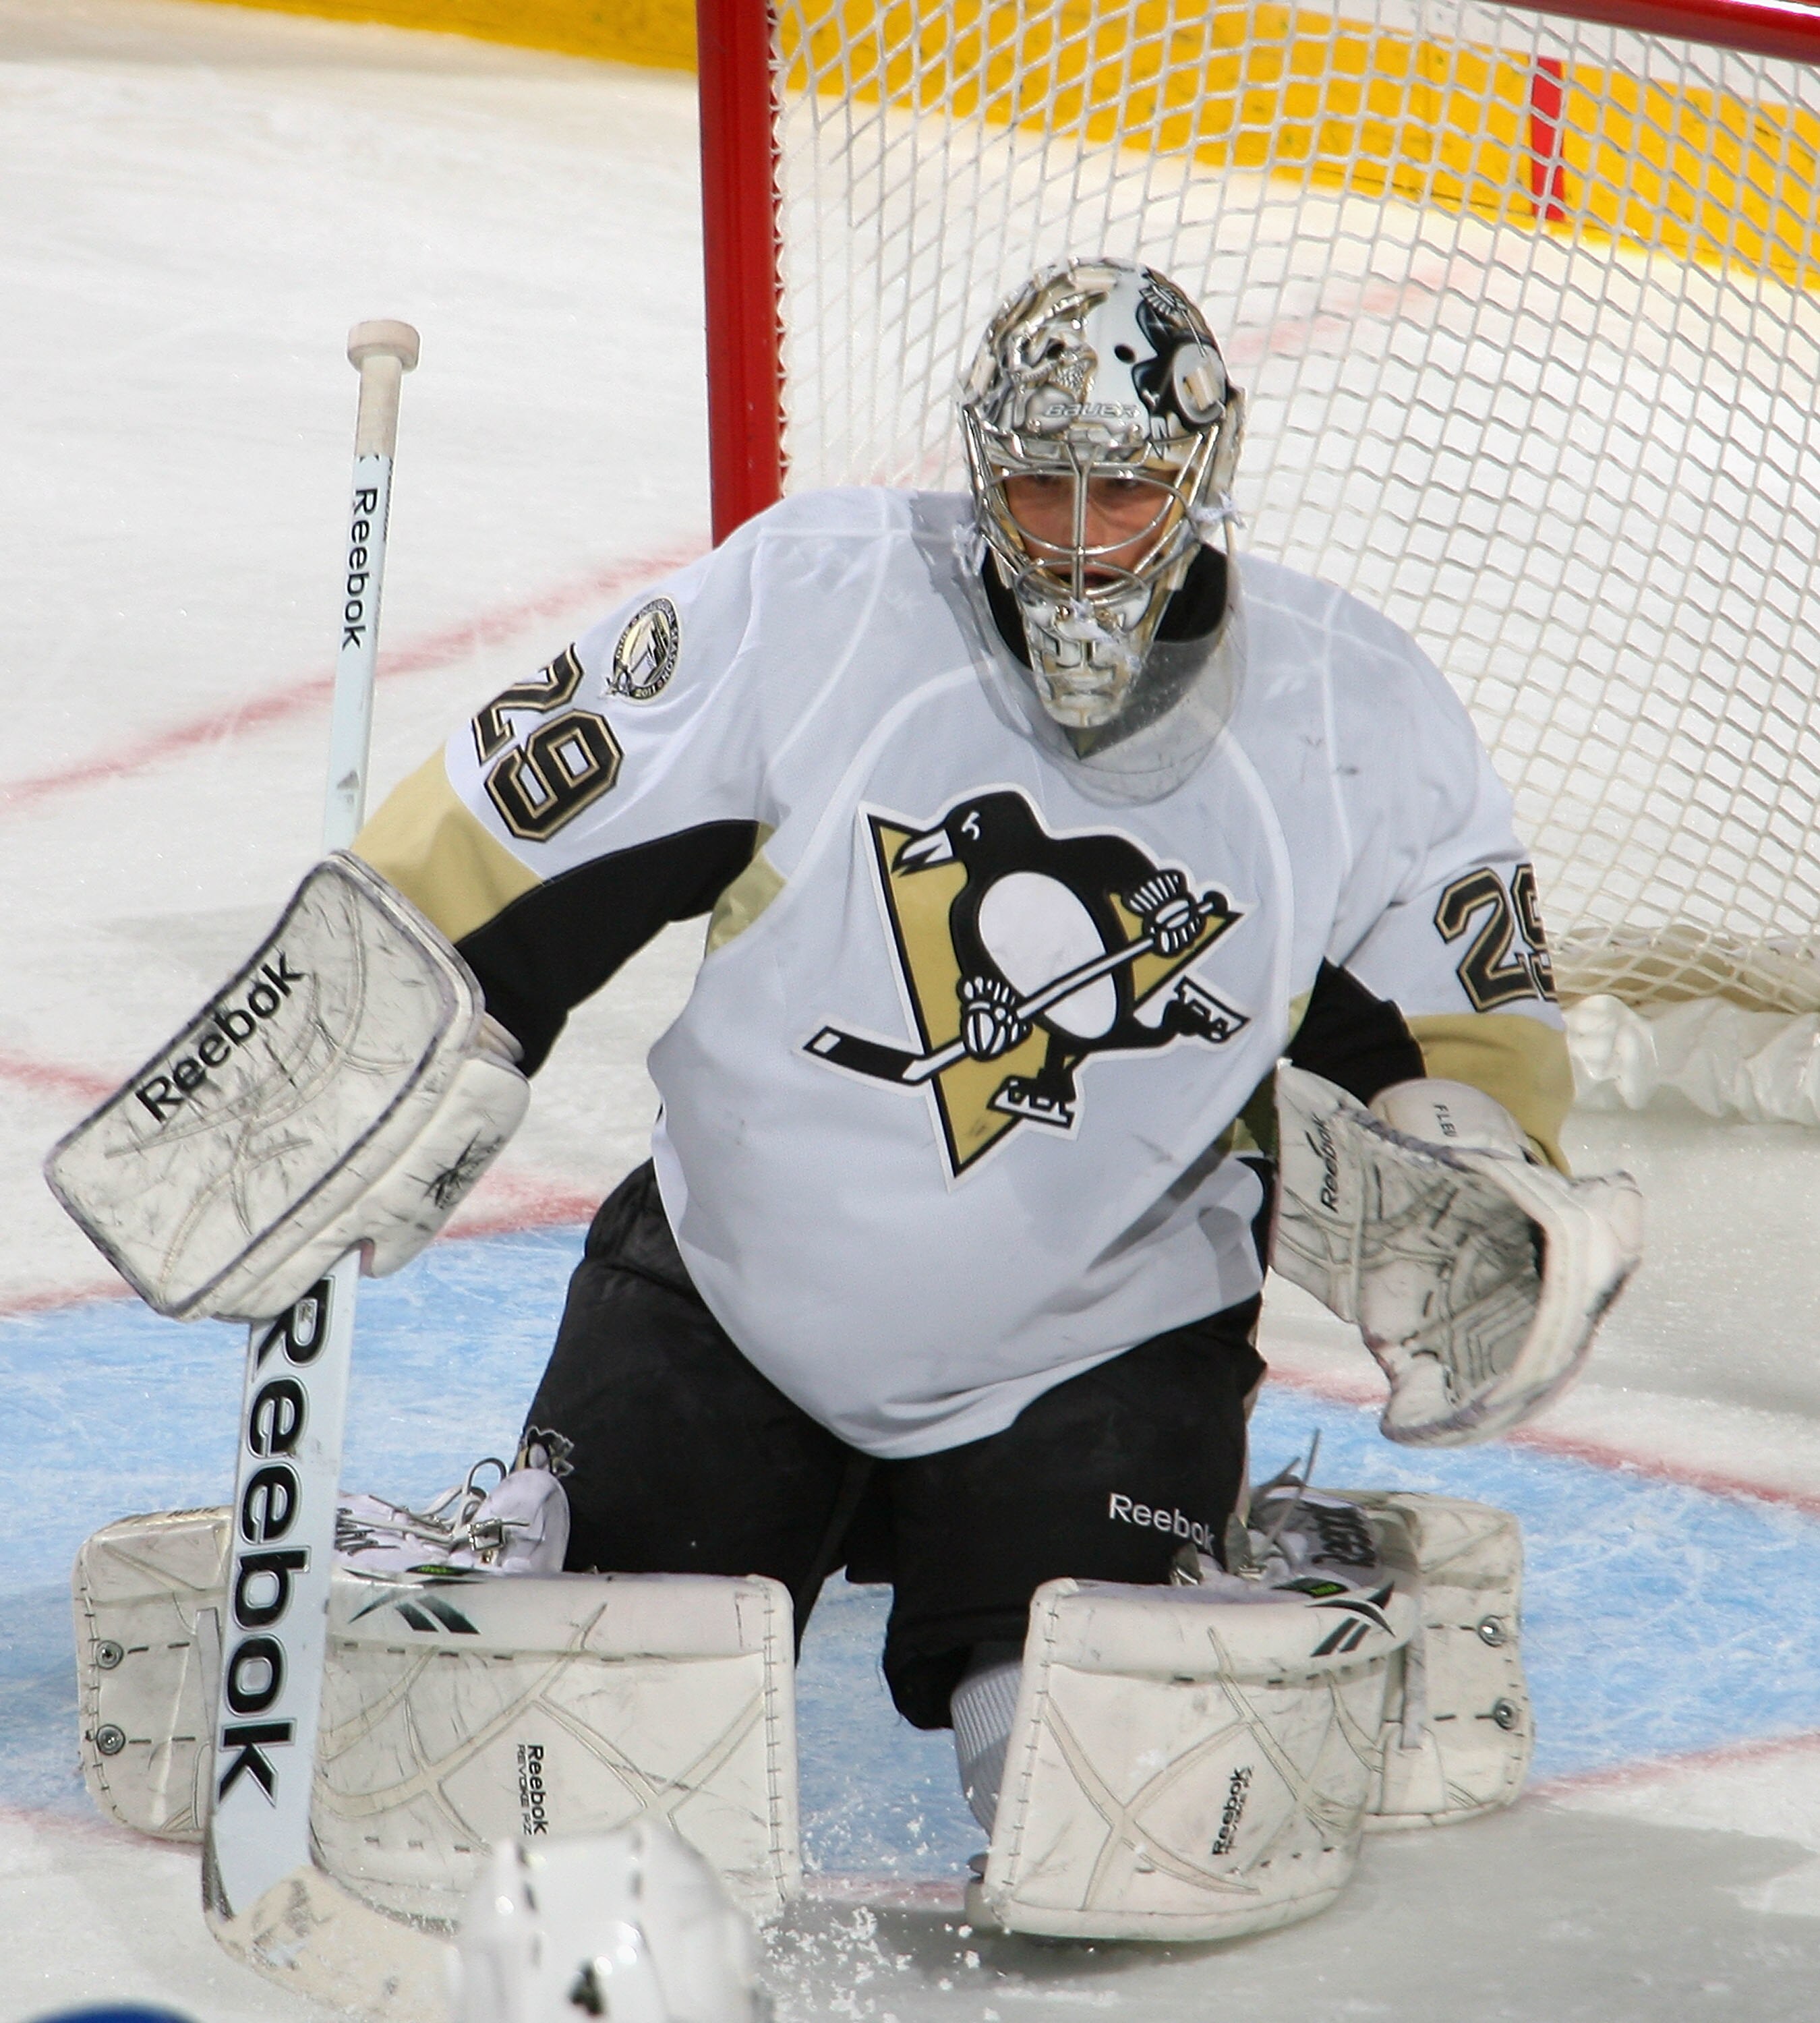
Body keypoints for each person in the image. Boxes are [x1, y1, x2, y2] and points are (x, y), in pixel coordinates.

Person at [348, 254, 1584, 1830]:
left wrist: (1472, 1171)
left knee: (1096, 1814)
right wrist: (375, 1021)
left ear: (1200, 479)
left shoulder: (1352, 715)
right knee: (583, 1785)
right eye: (1040, 487)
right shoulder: (812, 602)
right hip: (735, 1295)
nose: (1073, 539)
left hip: (1097, 1339)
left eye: (1120, 493)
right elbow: (521, 824)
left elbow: (1465, 1026)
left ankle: (1279, 1564)